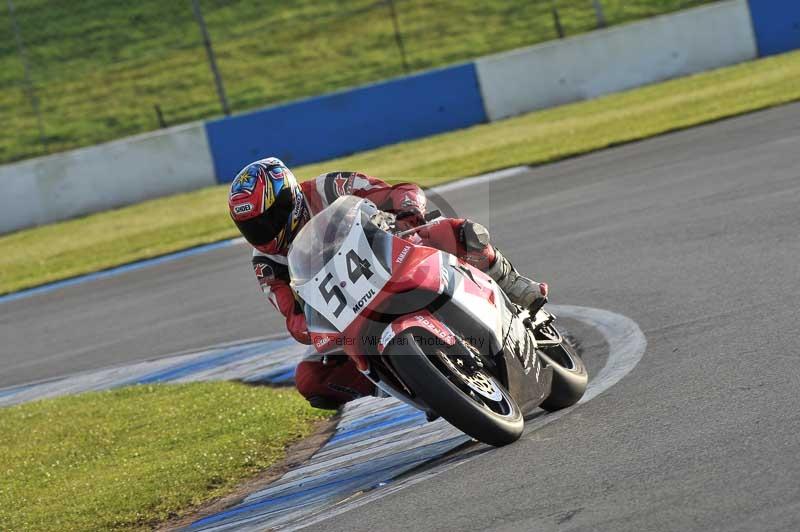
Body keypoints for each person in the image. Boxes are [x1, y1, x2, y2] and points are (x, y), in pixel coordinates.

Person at [228, 157, 548, 409]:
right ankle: (403, 382)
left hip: (386, 255)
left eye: (271, 217)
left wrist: (407, 210)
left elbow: (396, 191)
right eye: (253, 227)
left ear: (291, 197)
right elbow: (292, 317)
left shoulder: (330, 187)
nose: (265, 231)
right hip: (345, 311)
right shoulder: (266, 264)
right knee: (310, 379)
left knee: (454, 231)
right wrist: (309, 326)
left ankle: (511, 283)